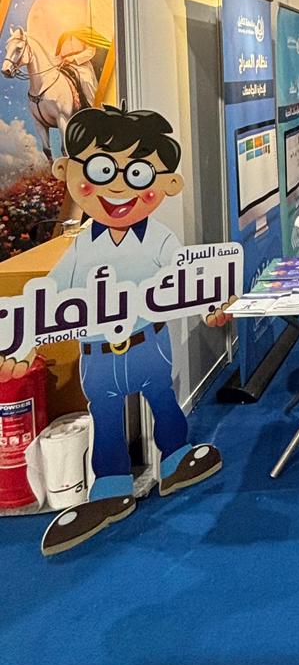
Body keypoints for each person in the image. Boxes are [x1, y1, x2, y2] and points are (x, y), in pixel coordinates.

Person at [12, 105, 225, 556]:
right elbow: (49, 297)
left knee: (164, 402)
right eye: (102, 170)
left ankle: (175, 460)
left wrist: (211, 310)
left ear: (168, 183)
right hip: (98, 356)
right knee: (106, 419)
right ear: (68, 171)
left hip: (150, 345)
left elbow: (187, 280)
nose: (118, 186)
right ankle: (110, 489)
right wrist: (23, 343)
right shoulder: (80, 247)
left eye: (138, 174)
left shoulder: (160, 239)